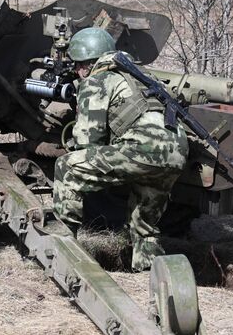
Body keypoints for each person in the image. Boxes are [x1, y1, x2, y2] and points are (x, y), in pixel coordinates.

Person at [53, 28, 189, 271]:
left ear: (88, 64)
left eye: (78, 66)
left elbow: (88, 141)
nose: (76, 71)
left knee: (67, 167)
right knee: (144, 226)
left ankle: (62, 251)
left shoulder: (97, 81)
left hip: (142, 149)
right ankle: (150, 271)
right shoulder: (142, 76)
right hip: (176, 153)